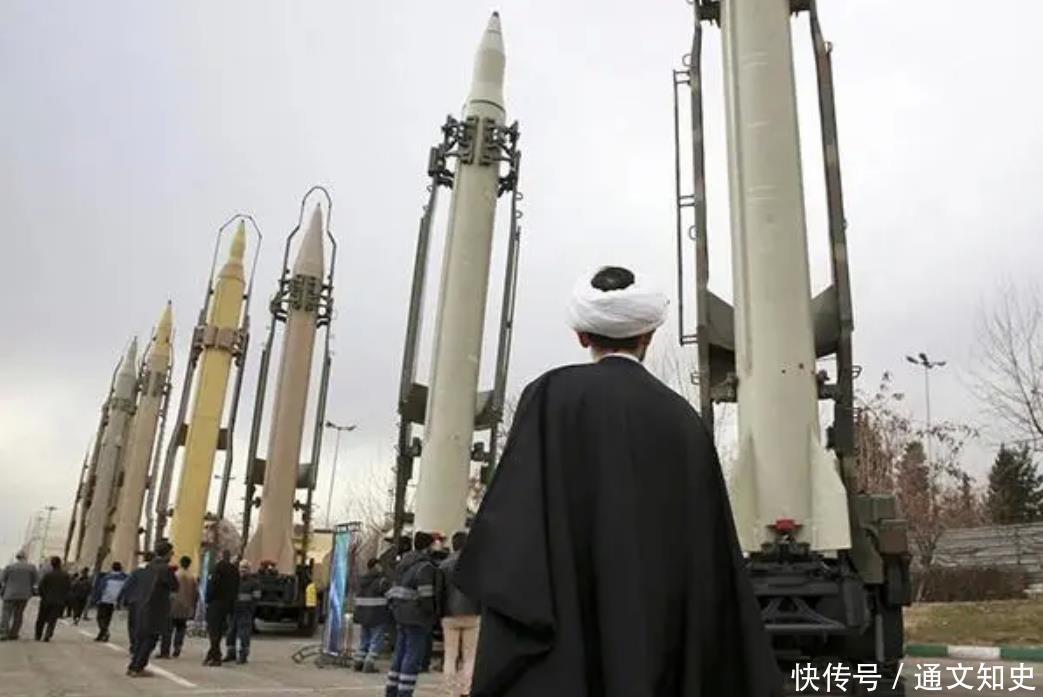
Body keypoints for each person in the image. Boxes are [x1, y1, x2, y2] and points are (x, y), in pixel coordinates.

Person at [455, 266, 783, 696]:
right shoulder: (684, 421)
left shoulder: (550, 398)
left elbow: (515, 528)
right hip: (662, 649)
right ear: (648, 335)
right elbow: (710, 559)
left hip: (566, 651)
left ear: (582, 336)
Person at [385, 531, 439, 697]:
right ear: (428, 547)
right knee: (413, 657)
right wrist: (432, 614)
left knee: (399, 654)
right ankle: (405, 693)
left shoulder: (403, 564)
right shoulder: (425, 567)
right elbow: (426, 595)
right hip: (417, 617)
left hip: (400, 614)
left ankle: (392, 691)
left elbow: (394, 590)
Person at [127, 541, 178, 677]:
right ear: (167, 553)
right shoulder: (165, 569)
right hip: (156, 607)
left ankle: (133, 665)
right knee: (151, 638)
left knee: (141, 638)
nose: (172, 555)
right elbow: (175, 586)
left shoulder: (148, 567)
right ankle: (138, 668)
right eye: (171, 553)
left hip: (142, 605)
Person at [439, 532, 481, 697]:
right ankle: (466, 689)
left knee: (450, 655)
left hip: (449, 615)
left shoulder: (443, 565)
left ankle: (450, 691)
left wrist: (439, 613)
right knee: (470, 656)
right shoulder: (476, 563)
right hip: (473, 613)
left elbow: (439, 591)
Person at [353, 558, 391, 673]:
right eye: (380, 565)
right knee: (376, 641)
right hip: (377, 615)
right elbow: (390, 596)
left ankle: (358, 661)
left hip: (363, 616)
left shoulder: (362, 581)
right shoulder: (381, 581)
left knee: (364, 640)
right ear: (376, 566)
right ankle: (369, 664)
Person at [204, 549, 239, 666]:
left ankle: (215, 656)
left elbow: (211, 586)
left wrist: (207, 600)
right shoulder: (235, 570)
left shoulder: (217, 568)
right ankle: (212, 654)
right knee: (220, 630)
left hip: (215, 603)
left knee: (213, 630)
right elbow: (236, 588)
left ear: (220, 556)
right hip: (228, 604)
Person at [224, 559, 260, 664]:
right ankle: (231, 653)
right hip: (233, 611)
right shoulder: (234, 581)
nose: (243, 570)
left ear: (249, 570)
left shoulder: (254, 583)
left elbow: (256, 598)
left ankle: (243, 655)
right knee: (230, 632)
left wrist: (250, 610)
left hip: (245, 612)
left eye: (245, 568)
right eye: (241, 568)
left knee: (244, 634)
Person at [162, 555, 197, 658]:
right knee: (181, 628)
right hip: (186, 606)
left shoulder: (176, 574)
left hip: (174, 605)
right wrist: (192, 606)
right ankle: (178, 646)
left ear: (181, 563)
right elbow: (195, 593)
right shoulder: (192, 577)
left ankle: (166, 650)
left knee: (169, 628)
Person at [0, 551, 38, 641]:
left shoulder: (10, 567)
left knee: (6, 614)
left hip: (9, 594)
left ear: (17, 557)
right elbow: (35, 581)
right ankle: (14, 633)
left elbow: (2, 580)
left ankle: (3, 633)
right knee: (18, 614)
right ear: (25, 557)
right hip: (24, 595)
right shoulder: (32, 568)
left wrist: (3, 591)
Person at [34, 556, 71, 642]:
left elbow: (41, 587)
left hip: (46, 600)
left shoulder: (48, 575)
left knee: (41, 619)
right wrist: (63, 598)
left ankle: (38, 635)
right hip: (59, 601)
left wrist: (43, 596)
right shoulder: (65, 575)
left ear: (52, 564)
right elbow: (68, 588)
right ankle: (48, 634)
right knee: (52, 619)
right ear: (60, 564)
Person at [91, 561, 128, 642]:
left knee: (100, 617)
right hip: (114, 601)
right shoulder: (124, 578)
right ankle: (102, 634)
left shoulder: (107, 577)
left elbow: (101, 588)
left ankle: (104, 631)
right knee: (107, 618)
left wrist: (96, 598)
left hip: (105, 599)